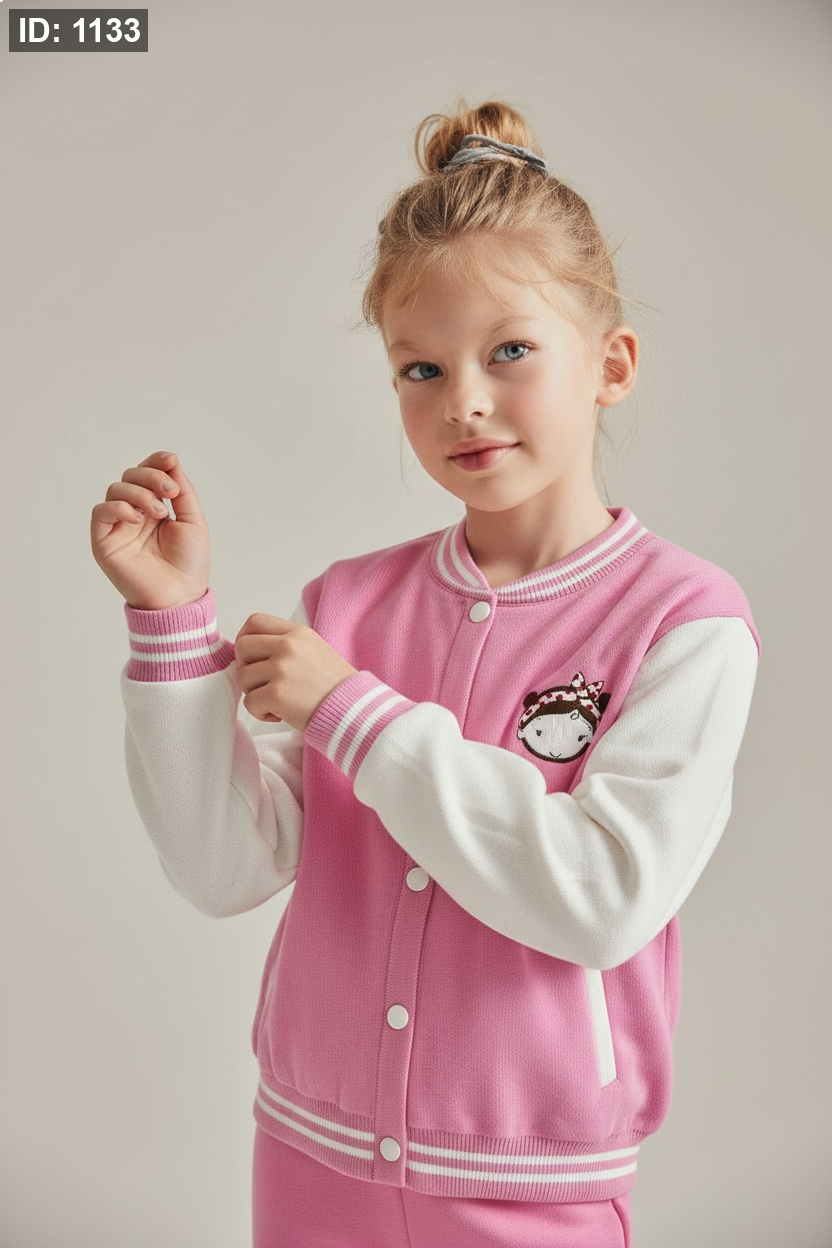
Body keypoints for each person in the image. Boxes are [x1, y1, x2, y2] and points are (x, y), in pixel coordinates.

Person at [90, 99, 761, 1248]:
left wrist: (353, 713)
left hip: (530, 1187)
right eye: (419, 367)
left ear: (610, 364)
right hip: (306, 1160)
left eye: (510, 351)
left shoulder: (685, 623)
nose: (463, 402)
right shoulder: (347, 604)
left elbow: (603, 896)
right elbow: (222, 867)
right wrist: (169, 624)